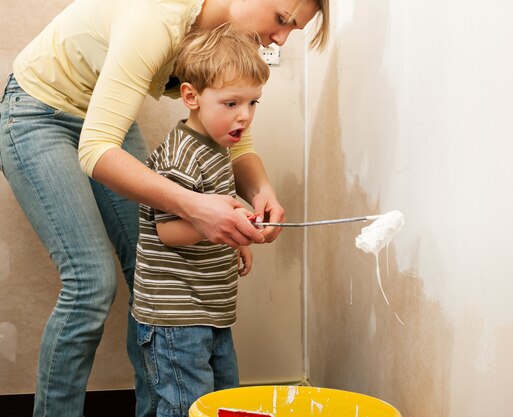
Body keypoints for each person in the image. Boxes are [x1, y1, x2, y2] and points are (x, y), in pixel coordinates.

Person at [0, 0, 328, 416]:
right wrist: (196, 208)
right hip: (37, 112)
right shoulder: (155, 19)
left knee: (153, 273)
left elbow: (237, 143)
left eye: (292, 30)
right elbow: (97, 149)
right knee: (90, 284)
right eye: (282, 20)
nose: (280, 39)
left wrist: (261, 190)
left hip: (101, 115)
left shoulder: (222, 36)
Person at [132, 24, 269, 417]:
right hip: (176, 317)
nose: (245, 115)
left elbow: (215, 213)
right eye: (231, 103)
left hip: (208, 308)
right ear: (190, 96)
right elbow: (169, 230)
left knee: (221, 401)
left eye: (253, 102)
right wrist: (234, 220)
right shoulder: (182, 156)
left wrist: (237, 237)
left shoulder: (215, 147)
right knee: (185, 406)